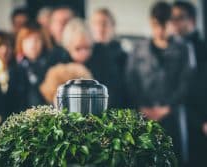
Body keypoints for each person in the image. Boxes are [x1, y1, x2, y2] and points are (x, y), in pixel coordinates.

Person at [125, 2, 192, 166]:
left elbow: (187, 82)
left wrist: (167, 107)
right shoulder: (138, 49)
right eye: (156, 24)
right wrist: (143, 106)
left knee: (175, 158)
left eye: (165, 24)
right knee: (144, 158)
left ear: (172, 23)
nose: (160, 30)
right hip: (143, 113)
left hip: (173, 113)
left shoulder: (184, 49)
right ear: (150, 22)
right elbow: (130, 79)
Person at [48, 18, 121, 108]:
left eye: (87, 48)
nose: (84, 53)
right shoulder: (58, 59)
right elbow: (50, 92)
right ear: (68, 47)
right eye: (78, 48)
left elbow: (113, 89)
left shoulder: (102, 56)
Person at [171, 2, 207, 165]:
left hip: (201, 121)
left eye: (180, 18)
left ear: (192, 20)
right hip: (178, 119)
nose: (175, 23)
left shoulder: (202, 49)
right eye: (172, 19)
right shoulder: (171, 50)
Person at [89, 8, 129, 108]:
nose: (100, 28)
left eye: (104, 23)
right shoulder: (86, 55)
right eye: (96, 23)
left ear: (113, 27)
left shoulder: (123, 57)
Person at [15, 23, 49, 107]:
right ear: (21, 42)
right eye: (28, 40)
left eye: (37, 40)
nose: (33, 44)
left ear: (43, 42)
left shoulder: (49, 66)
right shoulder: (16, 68)